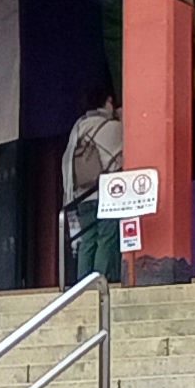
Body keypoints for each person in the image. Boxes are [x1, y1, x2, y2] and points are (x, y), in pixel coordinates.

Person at [62, 95, 124, 282]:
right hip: (106, 193)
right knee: (106, 237)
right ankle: (99, 281)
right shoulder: (114, 128)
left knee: (87, 239)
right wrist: (122, 117)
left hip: (82, 194)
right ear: (107, 102)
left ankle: (82, 284)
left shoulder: (78, 128)